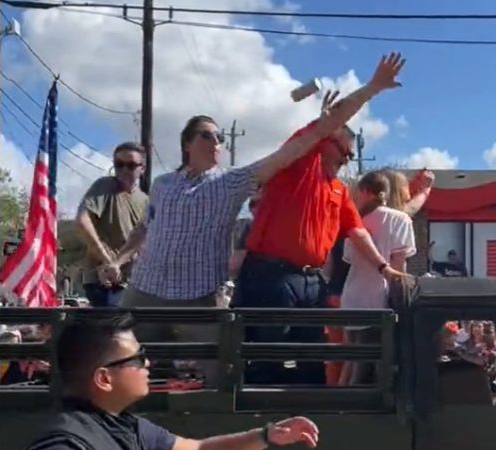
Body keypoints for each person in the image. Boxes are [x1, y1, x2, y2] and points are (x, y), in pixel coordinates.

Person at [233, 52, 411, 385]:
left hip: (310, 282)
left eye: (349, 157)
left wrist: (384, 267)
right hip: (270, 275)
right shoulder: (300, 165)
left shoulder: (339, 191)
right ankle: (261, 427)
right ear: (325, 142)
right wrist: (372, 87)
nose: (346, 161)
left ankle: (311, 425)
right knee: (263, 362)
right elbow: (318, 132)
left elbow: (358, 233)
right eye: (343, 152)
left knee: (312, 362)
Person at [26, 314, 319, 450]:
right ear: (104, 379)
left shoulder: (126, 427)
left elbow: (199, 449)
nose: (148, 364)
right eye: (137, 358)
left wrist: (266, 435)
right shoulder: (67, 444)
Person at [338, 171, 416, 385]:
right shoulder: (400, 219)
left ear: (365, 192)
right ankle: (358, 408)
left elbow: (349, 259)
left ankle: (340, 403)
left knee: (353, 358)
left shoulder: (357, 221)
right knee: (371, 361)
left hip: (353, 296)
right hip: (379, 298)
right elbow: (399, 262)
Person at [76, 142, 148, 307]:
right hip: (104, 283)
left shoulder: (145, 200)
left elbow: (143, 237)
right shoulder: (105, 186)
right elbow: (82, 221)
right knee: (116, 330)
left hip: (133, 283)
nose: (123, 170)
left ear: (142, 168)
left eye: (130, 165)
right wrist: (108, 262)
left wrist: (117, 264)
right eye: (119, 165)